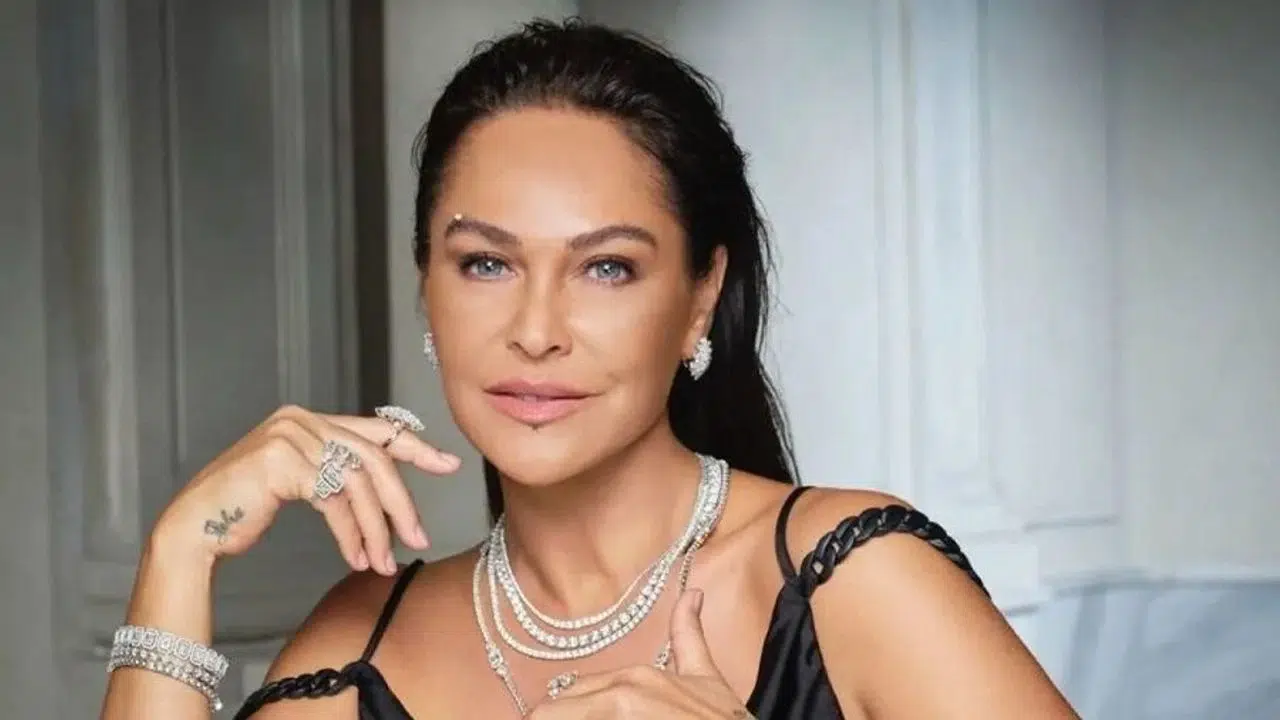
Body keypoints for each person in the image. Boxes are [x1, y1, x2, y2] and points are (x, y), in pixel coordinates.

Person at [100, 18, 1079, 720]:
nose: (536, 330)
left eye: (606, 267)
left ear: (700, 296)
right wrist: (179, 552)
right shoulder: (359, 646)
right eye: (486, 264)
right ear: (427, 285)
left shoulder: (854, 582)